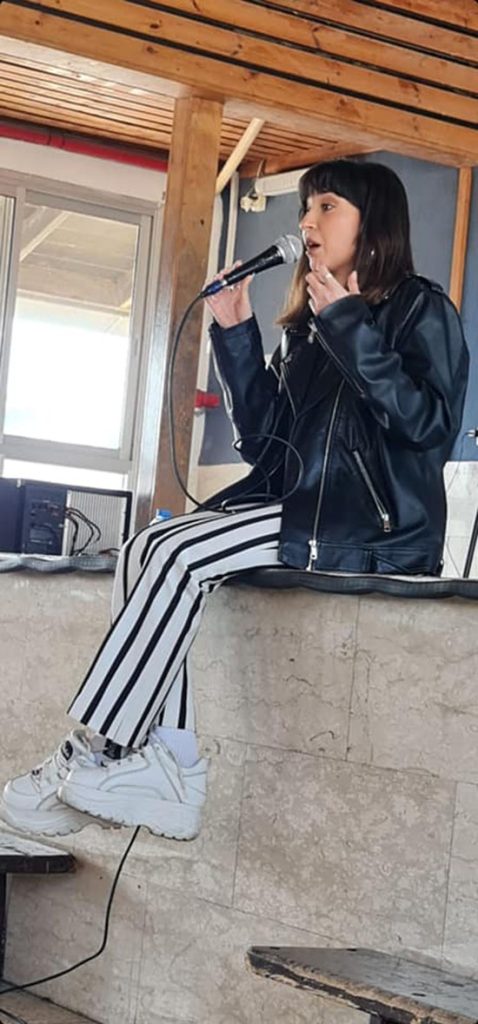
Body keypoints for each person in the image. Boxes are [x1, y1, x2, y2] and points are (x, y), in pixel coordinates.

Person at [1, 159, 469, 841]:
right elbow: (265, 443)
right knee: (145, 547)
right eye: (305, 207)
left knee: (177, 552)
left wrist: (348, 325)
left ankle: (101, 752)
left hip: (369, 526)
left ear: (374, 223)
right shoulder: (310, 326)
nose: (306, 222)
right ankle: (167, 759)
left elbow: (428, 425)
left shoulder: (419, 308)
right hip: (299, 506)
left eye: (327, 207)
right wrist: (237, 332)